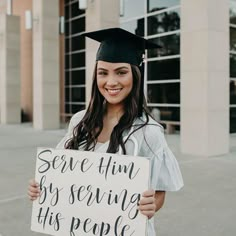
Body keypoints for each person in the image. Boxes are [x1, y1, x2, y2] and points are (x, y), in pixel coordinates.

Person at [28, 27, 183, 235]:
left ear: (135, 75)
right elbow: (59, 175)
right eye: (103, 73)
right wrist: (42, 187)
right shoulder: (79, 121)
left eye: (121, 72)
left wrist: (152, 205)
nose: (111, 82)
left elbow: (159, 190)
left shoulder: (149, 132)